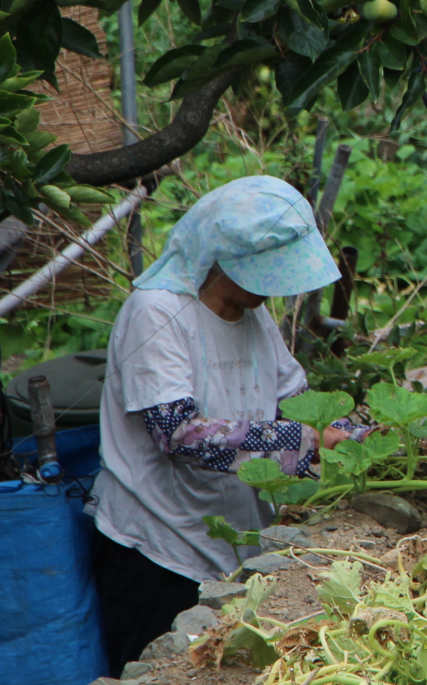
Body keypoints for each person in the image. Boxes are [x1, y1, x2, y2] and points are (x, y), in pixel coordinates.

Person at [89, 175, 373, 674]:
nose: (273, 289)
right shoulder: (156, 314)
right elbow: (179, 433)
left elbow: (298, 403)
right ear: (221, 259)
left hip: (237, 538)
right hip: (159, 549)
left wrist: (356, 435)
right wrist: (308, 443)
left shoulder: (252, 316)